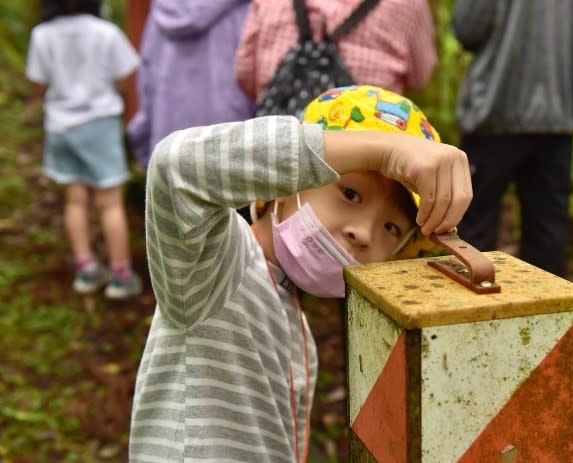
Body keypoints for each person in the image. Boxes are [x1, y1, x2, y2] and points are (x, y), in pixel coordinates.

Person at [128, 85, 472, 461]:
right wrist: (385, 151)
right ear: (284, 185)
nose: (364, 233)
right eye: (351, 194)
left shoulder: (296, 325)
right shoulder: (217, 265)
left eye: (391, 228)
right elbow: (176, 165)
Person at [452, 0, 573, 277]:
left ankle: (468, 317)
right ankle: (548, 318)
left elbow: (468, 28)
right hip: (558, 113)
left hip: (494, 111)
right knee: (548, 235)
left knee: (474, 232)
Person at [26, 0, 143, 299]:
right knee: (110, 203)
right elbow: (125, 75)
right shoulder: (106, 33)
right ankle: (121, 276)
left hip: (61, 125)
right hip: (99, 124)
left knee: (75, 200)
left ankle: (86, 269)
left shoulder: (42, 35)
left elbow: (38, 83)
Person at [127, 0, 255, 169]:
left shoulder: (162, 12)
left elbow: (147, 80)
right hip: (235, 145)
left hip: (170, 149)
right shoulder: (248, 9)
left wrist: (143, 148)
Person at [235, 0, 437, 103]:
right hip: (366, 161)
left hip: (280, 149)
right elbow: (421, 77)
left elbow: (245, 72)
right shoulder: (410, 4)